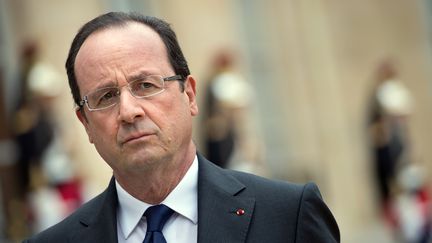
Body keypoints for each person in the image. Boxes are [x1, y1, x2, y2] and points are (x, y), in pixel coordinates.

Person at [23, 12, 340, 242]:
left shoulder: (288, 216)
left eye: (146, 85)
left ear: (189, 94)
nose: (129, 111)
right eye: (106, 96)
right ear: (86, 124)